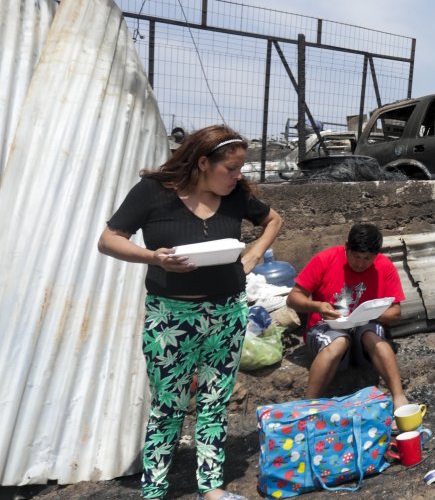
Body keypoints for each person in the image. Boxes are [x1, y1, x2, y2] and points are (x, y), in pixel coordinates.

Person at [98, 125, 283, 500]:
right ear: (202, 163)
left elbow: (274, 220)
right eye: (230, 169)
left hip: (227, 312)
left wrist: (255, 252)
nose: (238, 176)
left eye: (240, 169)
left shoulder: (236, 196)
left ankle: (211, 488)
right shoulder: (153, 193)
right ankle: (153, 491)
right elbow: (109, 240)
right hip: (171, 318)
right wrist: (153, 257)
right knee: (168, 405)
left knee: (215, 403)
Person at [286, 223, 409, 407]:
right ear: (346, 246)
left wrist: (372, 314)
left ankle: (399, 397)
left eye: (367, 258)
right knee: (338, 342)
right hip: (327, 327)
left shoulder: (384, 267)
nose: (360, 263)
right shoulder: (325, 259)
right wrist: (318, 306)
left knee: (372, 335)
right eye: (356, 256)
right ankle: (308, 406)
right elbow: (292, 299)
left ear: (377, 255)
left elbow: (396, 312)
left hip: (365, 328)